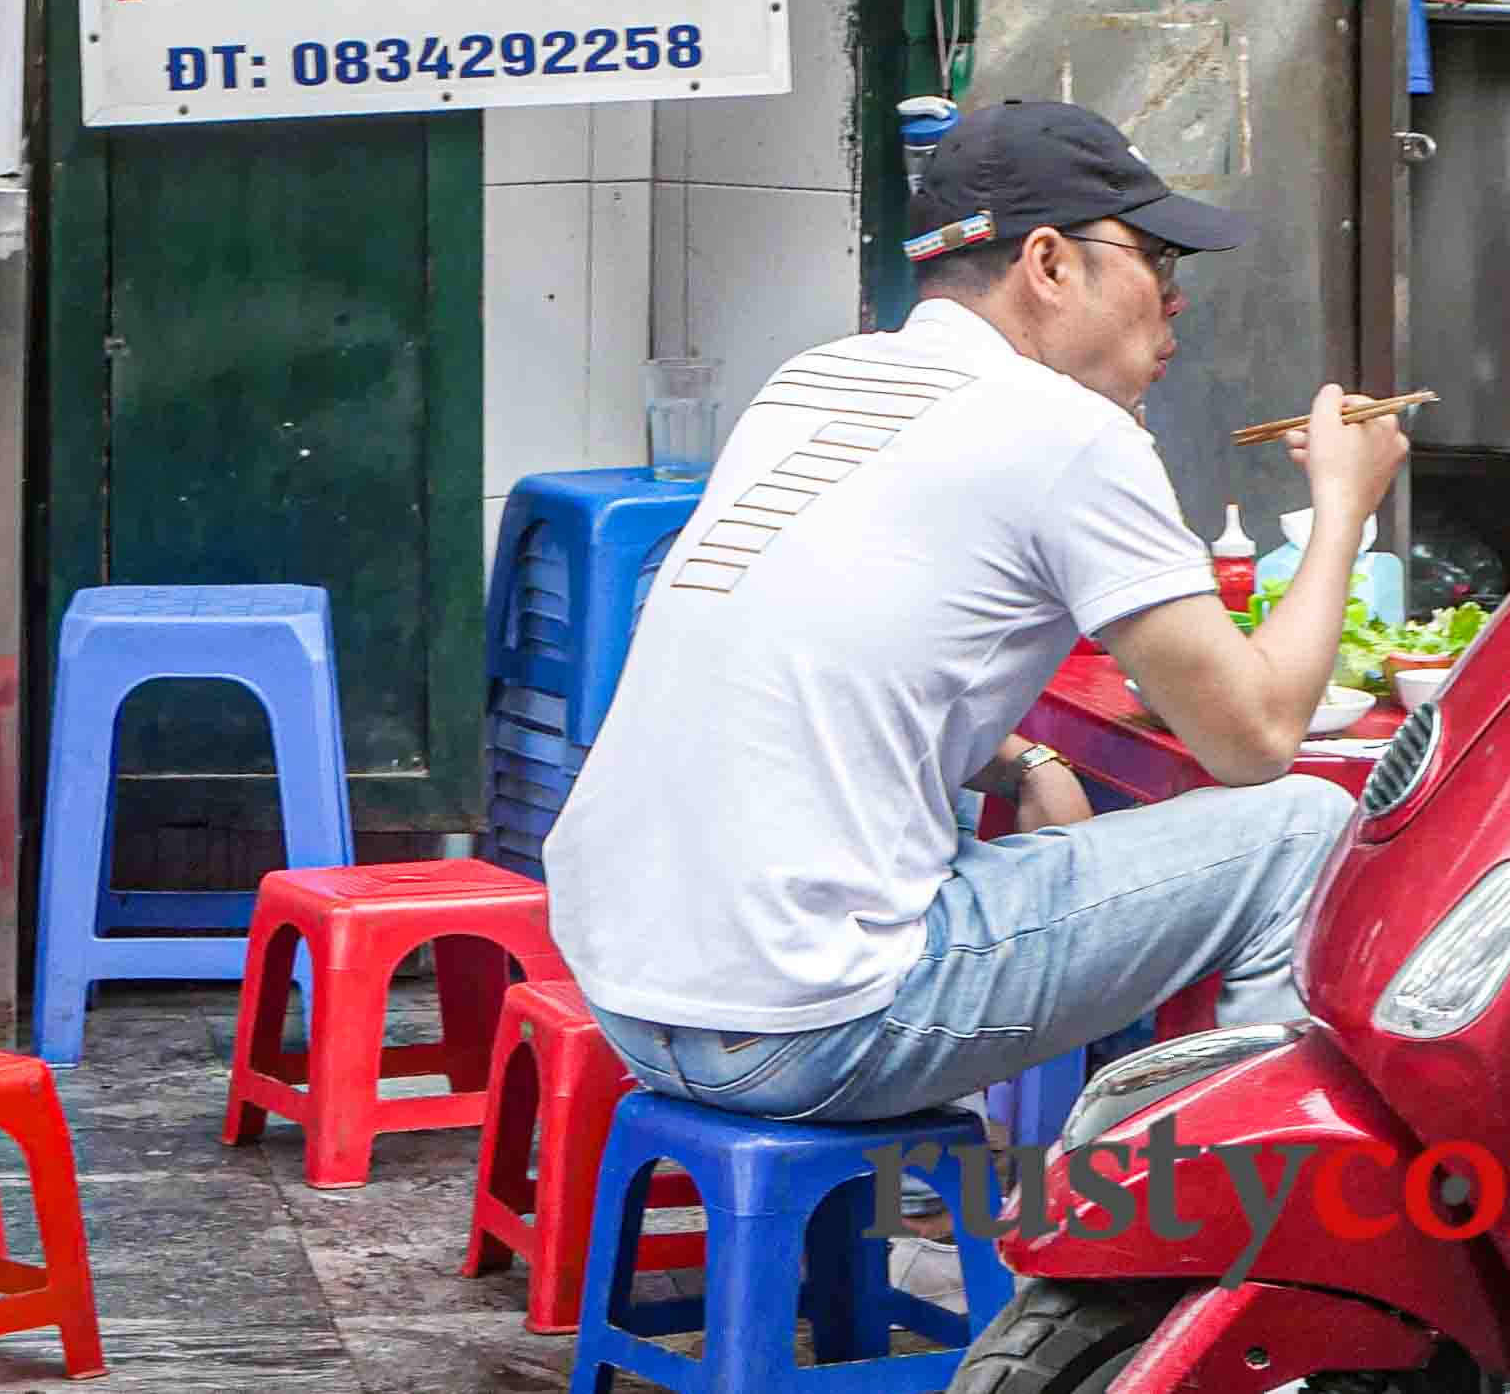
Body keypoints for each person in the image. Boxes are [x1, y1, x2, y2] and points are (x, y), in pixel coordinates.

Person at [544, 100, 1415, 1127]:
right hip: (810, 1026)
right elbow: (1255, 738)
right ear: (1048, 262)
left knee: (948, 819)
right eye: (1156, 258)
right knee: (1303, 827)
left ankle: (989, 1185)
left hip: (634, 997)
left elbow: (833, 666)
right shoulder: (1068, 432)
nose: (1176, 300)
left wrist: (1027, 761)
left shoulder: (813, 379)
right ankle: (1240, 1209)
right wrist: (1340, 511)